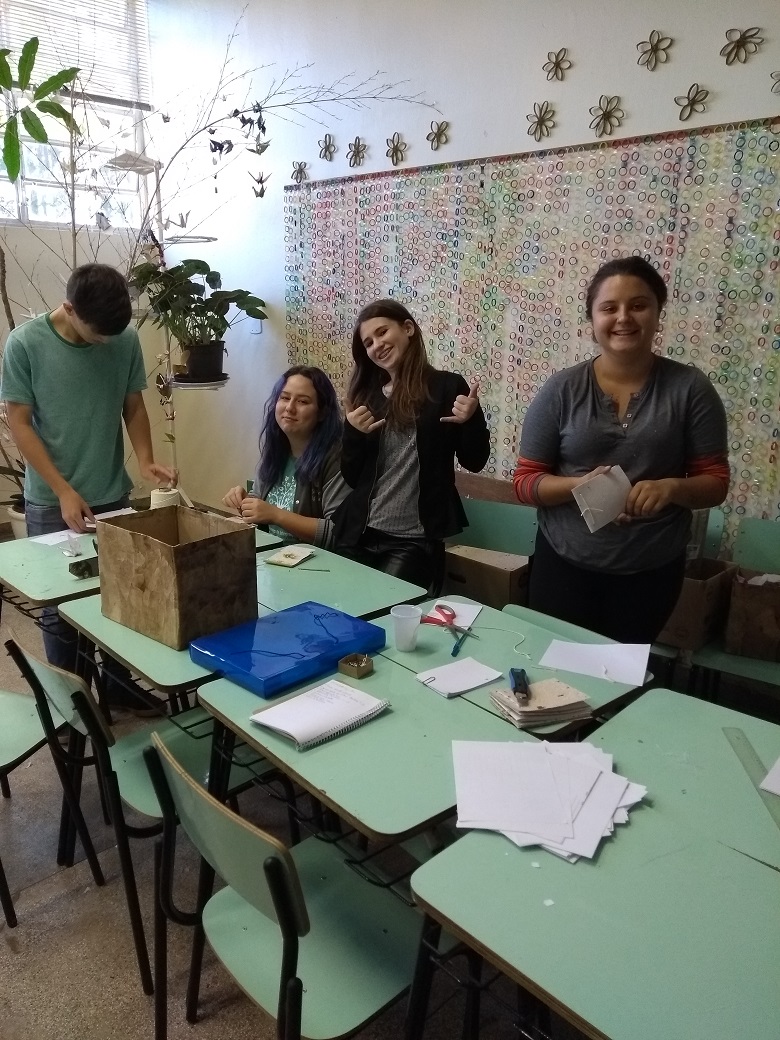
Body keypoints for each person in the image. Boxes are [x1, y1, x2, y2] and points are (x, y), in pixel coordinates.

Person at [513, 255, 729, 644]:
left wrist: (672, 488)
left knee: (622, 674)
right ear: (593, 319)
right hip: (563, 565)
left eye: (639, 305)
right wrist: (579, 485)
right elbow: (525, 482)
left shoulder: (691, 389)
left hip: (651, 574)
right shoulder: (561, 390)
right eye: (609, 308)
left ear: (658, 313)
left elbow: (715, 482)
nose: (624, 318)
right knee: (557, 673)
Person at [1, 263, 176, 701]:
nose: (106, 343)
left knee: (120, 595)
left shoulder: (124, 339)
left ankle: (118, 689)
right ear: (69, 309)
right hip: (51, 500)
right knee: (60, 608)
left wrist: (147, 460)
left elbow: (133, 406)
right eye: (97, 335)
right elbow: (20, 423)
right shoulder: (25, 344)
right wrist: (62, 490)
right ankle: (71, 702)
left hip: (112, 493)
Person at [333, 298, 490, 592]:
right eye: (368, 343)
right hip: (358, 532)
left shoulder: (447, 387)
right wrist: (352, 433)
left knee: (384, 608)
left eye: (382, 332)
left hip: (413, 540)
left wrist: (471, 421)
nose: (376, 345)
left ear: (407, 328)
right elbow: (353, 478)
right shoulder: (368, 396)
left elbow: (475, 461)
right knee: (343, 609)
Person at [222, 365, 348, 547]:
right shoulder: (277, 449)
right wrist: (244, 502)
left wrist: (276, 515)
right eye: (285, 398)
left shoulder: (336, 457)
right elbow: (260, 506)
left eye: (302, 401)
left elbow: (337, 532)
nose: (290, 408)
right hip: (273, 556)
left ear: (322, 413)